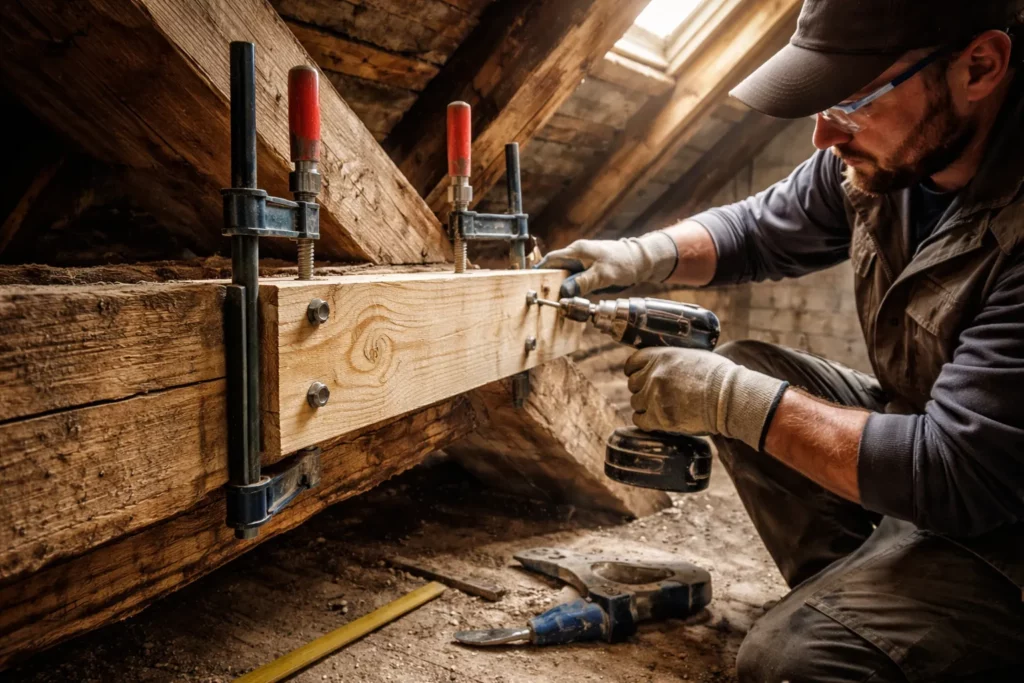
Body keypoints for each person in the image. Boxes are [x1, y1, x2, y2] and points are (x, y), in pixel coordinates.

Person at [537, 0, 1024, 680]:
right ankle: (869, 595)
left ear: (979, 67)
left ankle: (893, 623)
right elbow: (759, 229)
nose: (824, 134)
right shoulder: (900, 151)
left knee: (787, 662)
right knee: (743, 365)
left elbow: (959, 471)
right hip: (935, 467)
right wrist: (642, 254)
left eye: (850, 102)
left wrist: (733, 401)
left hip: (1006, 527)